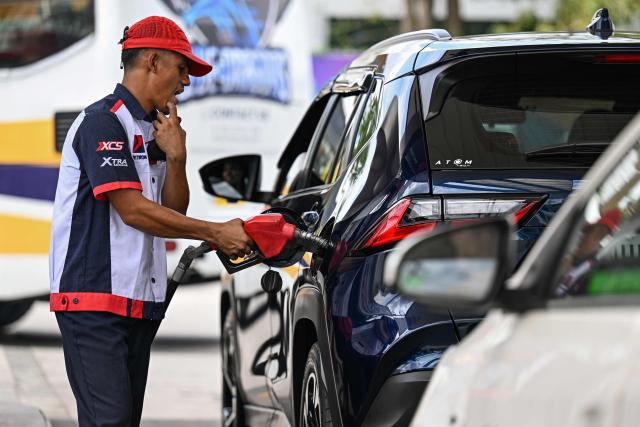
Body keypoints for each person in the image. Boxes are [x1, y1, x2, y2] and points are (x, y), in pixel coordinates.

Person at [48, 16, 253, 427]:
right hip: (92, 303)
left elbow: (170, 212)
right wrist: (215, 231)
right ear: (153, 61)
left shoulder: (155, 129)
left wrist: (177, 158)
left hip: (136, 304)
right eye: (182, 70)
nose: (186, 84)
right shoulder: (103, 122)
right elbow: (134, 210)